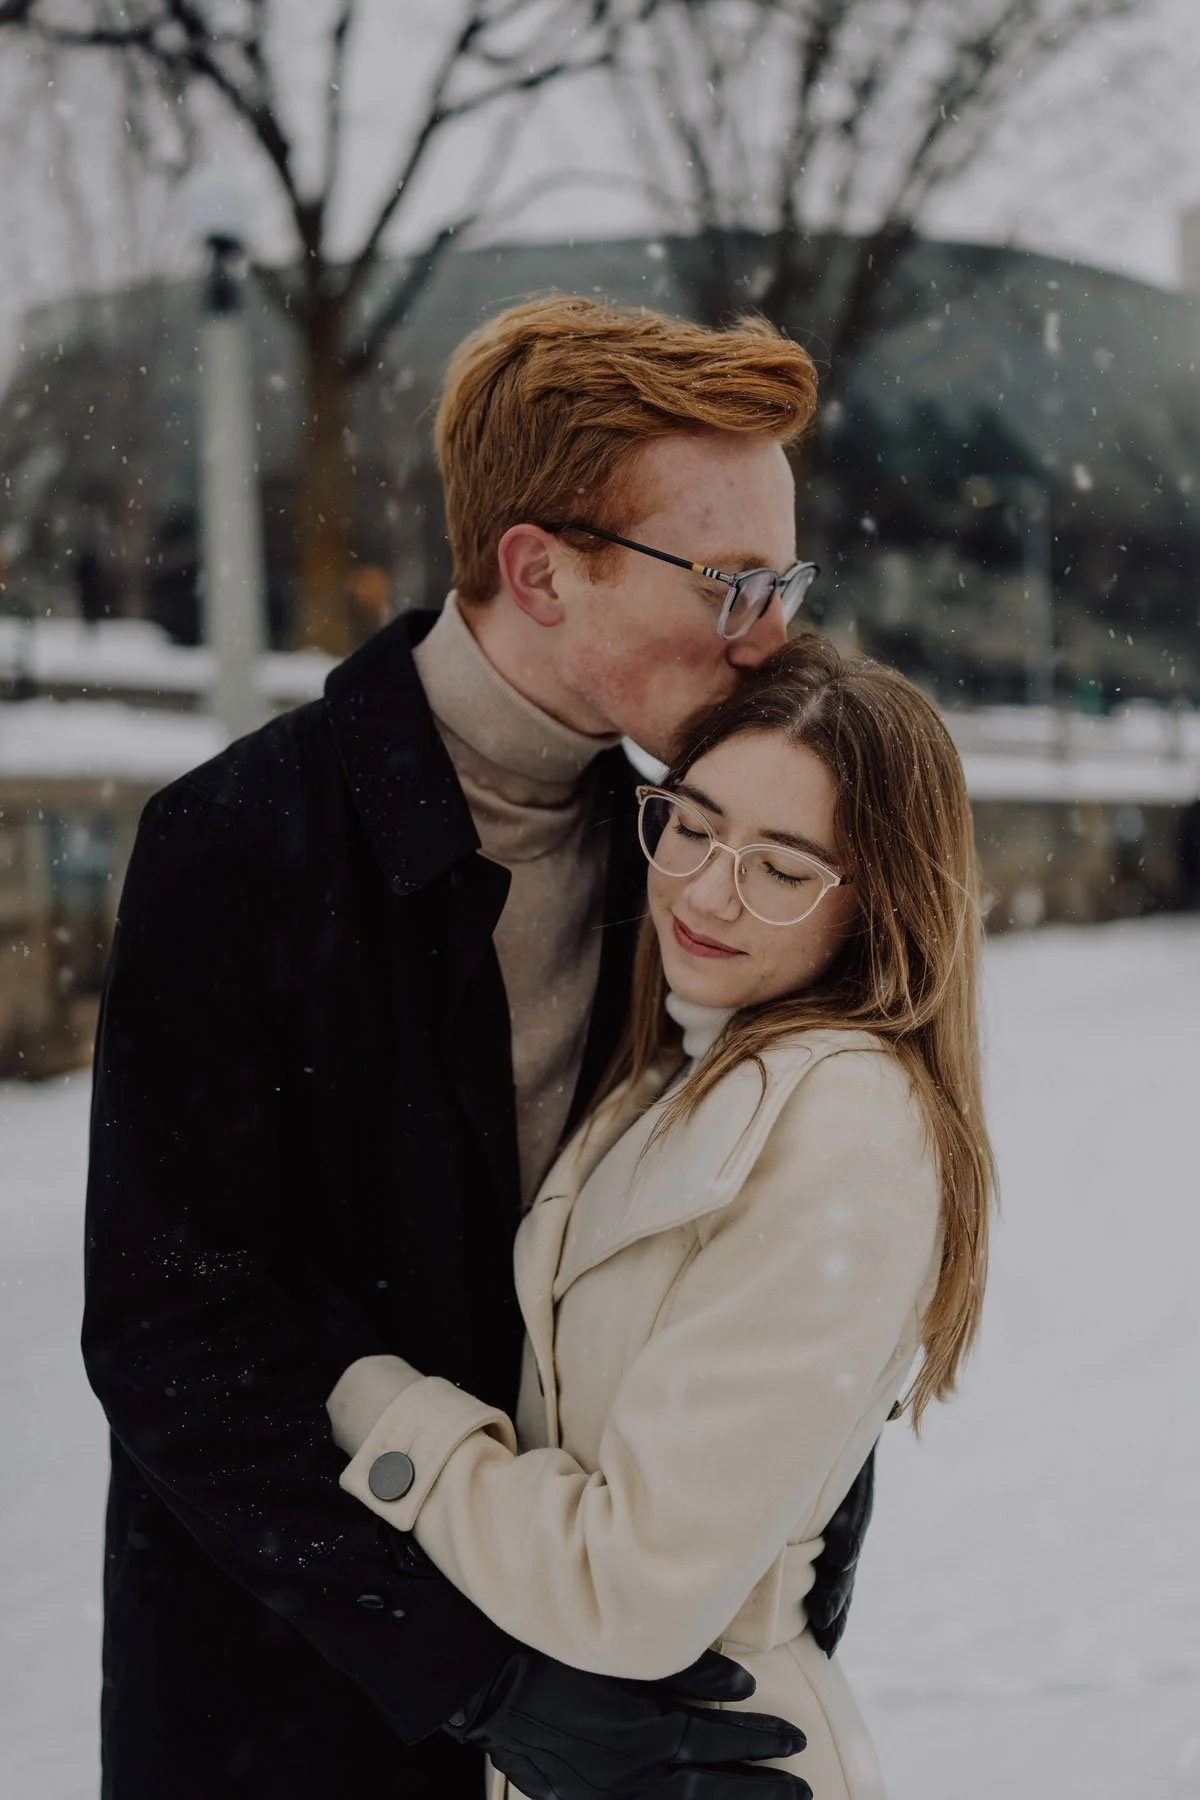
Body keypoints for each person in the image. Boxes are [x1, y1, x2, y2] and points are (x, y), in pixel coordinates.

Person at [82, 296, 872, 1800]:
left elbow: (728, 1221)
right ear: (540, 570)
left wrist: (806, 1498)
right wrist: (476, 1675)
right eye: (729, 583)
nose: (773, 635)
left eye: (784, 579)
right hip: (287, 1709)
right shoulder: (241, 844)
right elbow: (177, 1334)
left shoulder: (690, 851)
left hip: (609, 1689)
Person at [327, 636, 997, 1800]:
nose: (702, 891)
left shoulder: (844, 1124)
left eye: (782, 870)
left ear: (877, 906)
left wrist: (381, 1413)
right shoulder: (676, 1070)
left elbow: (630, 1586)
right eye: (692, 826)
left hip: (711, 1751)